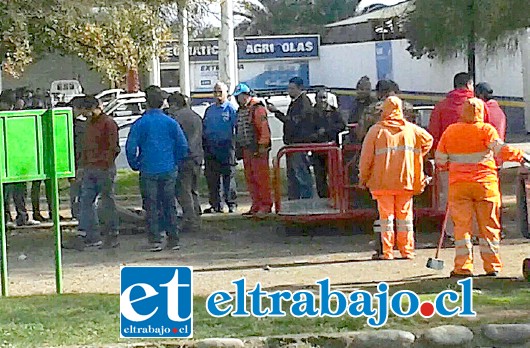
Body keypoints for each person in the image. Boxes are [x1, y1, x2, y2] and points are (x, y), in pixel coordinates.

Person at [435, 98, 529, 277]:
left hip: (459, 186)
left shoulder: (451, 131)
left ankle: (463, 267)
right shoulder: (486, 130)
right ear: (482, 112)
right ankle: (492, 266)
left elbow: (440, 160)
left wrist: (453, 168)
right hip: (485, 185)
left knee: (462, 227)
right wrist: (521, 156)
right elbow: (502, 150)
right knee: (489, 226)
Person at [359, 96, 433, 260]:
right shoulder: (412, 130)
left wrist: (362, 178)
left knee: (386, 217)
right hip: (405, 180)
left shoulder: (376, 131)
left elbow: (366, 159)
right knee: (405, 217)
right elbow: (429, 140)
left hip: (382, 181)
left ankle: (387, 251)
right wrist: (417, 156)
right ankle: (407, 250)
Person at [126, 86, 189, 252]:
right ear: (163, 104)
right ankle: (173, 238)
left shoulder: (140, 123)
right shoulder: (170, 122)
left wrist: (135, 163)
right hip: (168, 168)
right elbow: (182, 145)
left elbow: (131, 147)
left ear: (146, 103)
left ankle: (155, 239)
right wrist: (175, 161)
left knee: (151, 205)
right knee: (169, 203)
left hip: (148, 169)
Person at [63, 96, 120, 250]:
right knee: (86, 201)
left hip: (103, 168)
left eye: (86, 110)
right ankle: (91, 235)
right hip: (90, 168)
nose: (85, 114)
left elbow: (113, 147)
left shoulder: (108, 123)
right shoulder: (90, 124)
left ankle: (111, 233)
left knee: (106, 201)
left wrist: (104, 163)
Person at [428, 72, 477, 243]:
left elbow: (433, 135)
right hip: (478, 167)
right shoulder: (478, 106)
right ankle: (476, 233)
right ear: (469, 85)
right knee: (476, 200)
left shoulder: (441, 107)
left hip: (450, 166)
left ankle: (452, 233)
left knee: (451, 200)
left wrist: (438, 159)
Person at [267, 77, 315, 200]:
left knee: (301, 175)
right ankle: (296, 200)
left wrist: (277, 112)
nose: (289, 91)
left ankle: (306, 201)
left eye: (292, 88)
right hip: (293, 143)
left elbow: (294, 122)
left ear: (300, 89)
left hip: (299, 143)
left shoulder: (303, 103)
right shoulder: (296, 102)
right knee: (294, 175)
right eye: (289, 88)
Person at [232, 83, 273, 217]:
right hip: (246, 149)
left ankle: (265, 205)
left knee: (261, 178)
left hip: (258, 149)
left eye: (240, 96)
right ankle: (256, 204)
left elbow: (264, 129)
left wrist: (262, 146)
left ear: (247, 95)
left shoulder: (258, 108)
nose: (238, 99)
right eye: (237, 97)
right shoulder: (241, 110)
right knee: (250, 179)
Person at [166, 92, 203, 233]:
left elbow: (175, 140)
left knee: (183, 190)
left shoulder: (176, 118)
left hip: (185, 157)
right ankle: (196, 214)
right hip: (197, 156)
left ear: (174, 105)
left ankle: (189, 219)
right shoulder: (196, 116)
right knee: (194, 189)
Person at [202, 81, 238, 214]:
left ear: (226, 93)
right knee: (212, 178)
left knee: (228, 177)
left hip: (226, 146)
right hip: (211, 147)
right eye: (215, 92)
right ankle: (216, 204)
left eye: (220, 92)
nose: (217, 95)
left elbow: (236, 128)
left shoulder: (231, 109)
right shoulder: (209, 110)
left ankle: (231, 203)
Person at [308, 88, 346, 198]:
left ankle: (335, 198)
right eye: (320, 97)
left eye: (324, 97)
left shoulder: (334, 112)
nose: (323, 100)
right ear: (316, 99)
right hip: (317, 149)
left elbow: (342, 125)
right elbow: (307, 129)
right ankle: (322, 198)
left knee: (334, 176)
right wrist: (315, 135)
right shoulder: (310, 113)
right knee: (320, 177)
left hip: (331, 149)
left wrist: (326, 130)